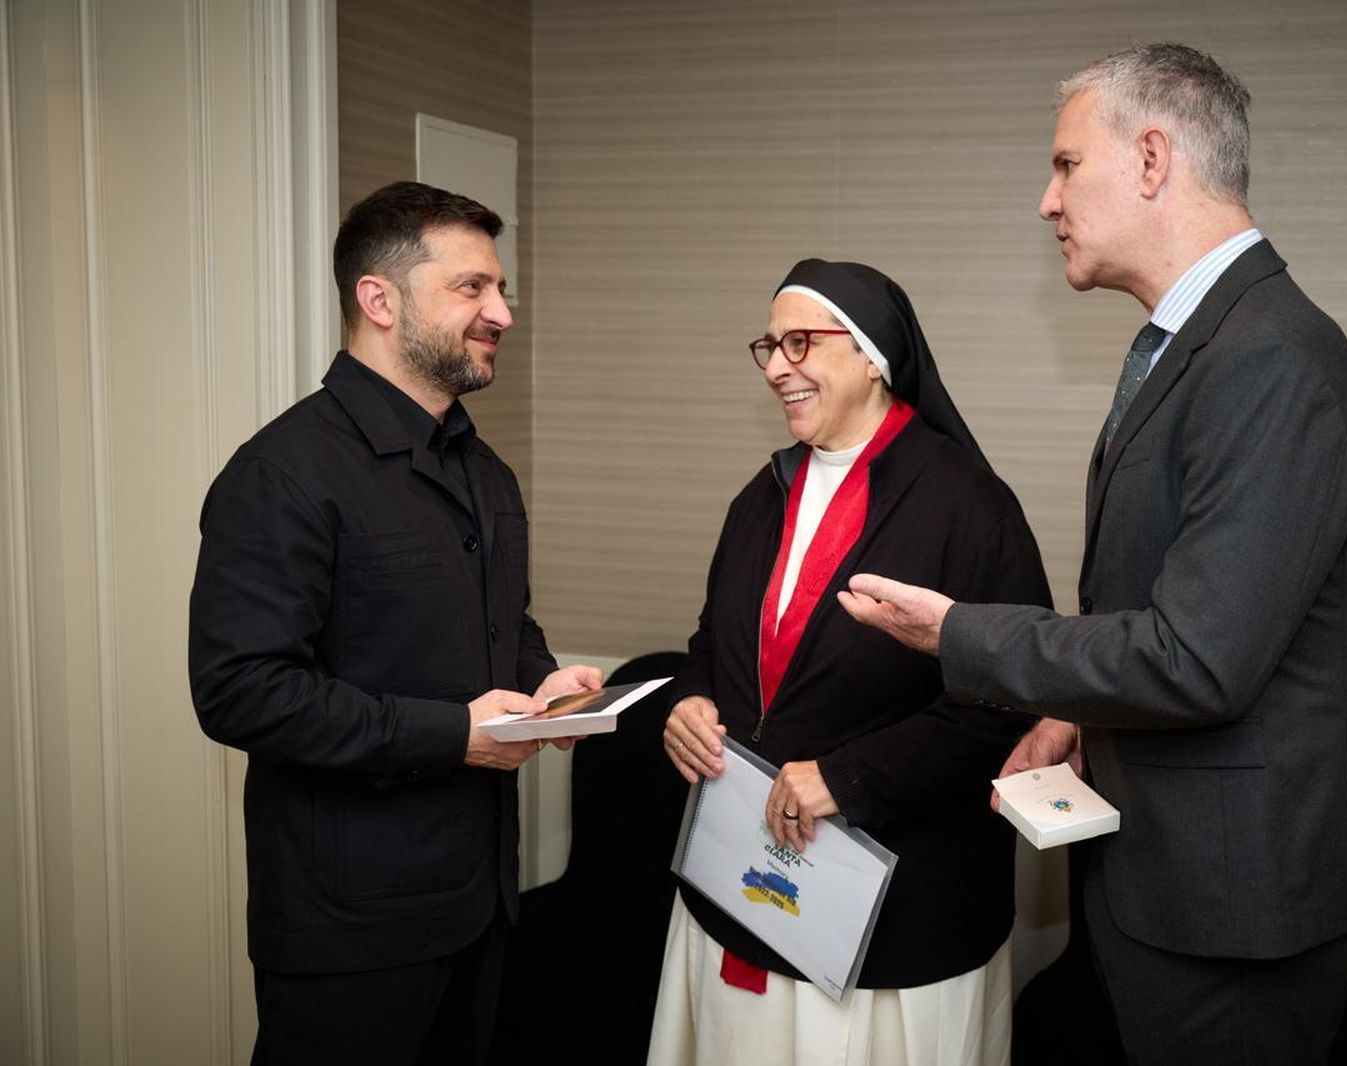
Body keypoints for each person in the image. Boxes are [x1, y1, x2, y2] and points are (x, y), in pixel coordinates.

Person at [840, 44, 1347, 1065]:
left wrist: (957, 630)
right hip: (1178, 875)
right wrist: (1070, 709)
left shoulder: (1265, 357)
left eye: (1062, 166)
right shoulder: (1198, 343)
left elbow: (1200, 658)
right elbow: (1175, 601)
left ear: (1149, 159)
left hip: (1236, 904)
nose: (1043, 202)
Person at [188, 180, 600, 1065]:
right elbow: (239, 692)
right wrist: (452, 734)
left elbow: (500, 622)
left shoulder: (483, 469)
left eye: (501, 288)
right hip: (350, 930)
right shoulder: (283, 474)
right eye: (472, 289)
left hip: (481, 899)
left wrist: (544, 682)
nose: (502, 312)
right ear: (379, 300)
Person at [650, 259, 1052, 1066]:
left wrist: (850, 778)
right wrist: (692, 703)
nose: (775, 366)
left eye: (799, 342)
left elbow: (1009, 697)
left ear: (873, 356)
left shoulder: (968, 505)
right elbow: (712, 643)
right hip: (747, 886)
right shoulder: (760, 495)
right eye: (767, 346)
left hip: (898, 921)